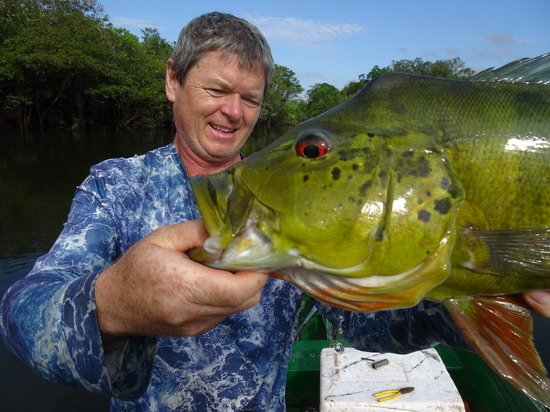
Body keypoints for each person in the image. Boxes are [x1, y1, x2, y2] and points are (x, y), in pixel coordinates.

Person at [1, 11, 549, 411]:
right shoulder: (117, 186)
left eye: (253, 99)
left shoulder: (290, 211)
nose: (233, 112)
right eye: (216, 89)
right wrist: (115, 303)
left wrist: (473, 298)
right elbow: (23, 315)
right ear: (173, 82)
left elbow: (355, 324)